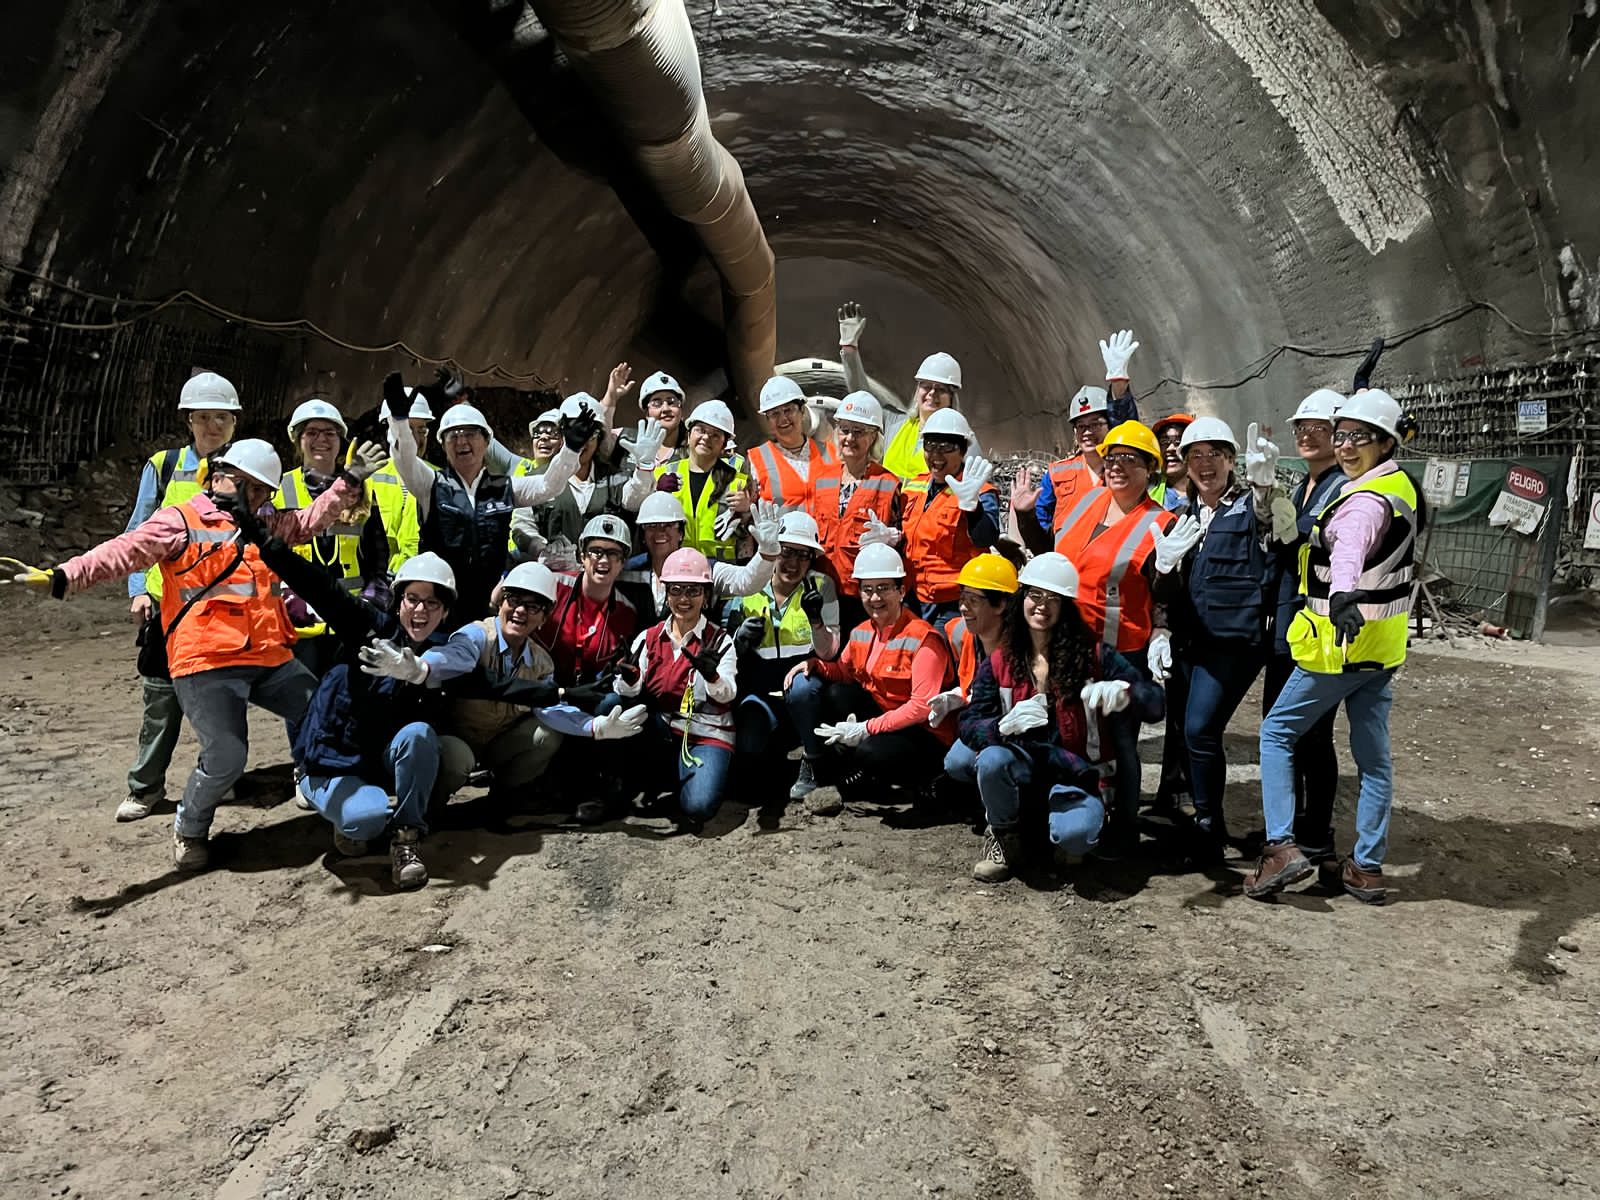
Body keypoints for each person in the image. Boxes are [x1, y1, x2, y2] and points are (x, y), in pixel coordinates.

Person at [19, 437, 388, 869]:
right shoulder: (179, 521)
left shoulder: (263, 520)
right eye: (247, 487)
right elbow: (124, 551)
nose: (255, 498)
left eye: (261, 491)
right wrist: (62, 577)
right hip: (206, 660)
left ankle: (342, 809)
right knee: (226, 756)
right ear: (219, 478)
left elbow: (306, 521)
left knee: (325, 718)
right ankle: (190, 828)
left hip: (266, 653)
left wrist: (347, 482)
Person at [1247, 389, 1421, 904]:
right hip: (1381, 651)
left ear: (1387, 442)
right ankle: (1366, 867)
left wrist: (1343, 592)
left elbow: (1349, 548)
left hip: (1338, 646)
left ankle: (1281, 845)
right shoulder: (1396, 485)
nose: (1344, 447)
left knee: (1277, 733)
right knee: (1374, 760)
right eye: (1341, 436)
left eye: (1356, 438)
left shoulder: (1362, 502)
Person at [241, 520, 456, 888]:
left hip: (379, 760)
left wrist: (562, 697)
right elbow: (320, 588)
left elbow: (492, 686)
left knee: (423, 736)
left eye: (432, 603)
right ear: (398, 599)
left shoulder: (439, 657)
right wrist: (265, 541)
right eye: (413, 599)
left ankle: (405, 840)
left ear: (444, 612)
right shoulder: (367, 628)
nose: (421, 611)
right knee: (366, 819)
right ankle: (349, 815)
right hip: (333, 760)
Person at [359, 561, 649, 810]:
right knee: (457, 758)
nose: (520, 611)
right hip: (458, 742)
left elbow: (550, 708)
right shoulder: (476, 635)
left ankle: (504, 795)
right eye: (514, 600)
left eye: (532, 606)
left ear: (544, 617)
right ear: (501, 602)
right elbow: (452, 656)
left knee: (546, 735)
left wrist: (595, 727)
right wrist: (420, 667)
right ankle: (427, 807)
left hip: (499, 744)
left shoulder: (541, 662)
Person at [955, 553, 1164, 881]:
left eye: (1053, 598)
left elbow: (1155, 705)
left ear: (1067, 606)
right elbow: (968, 724)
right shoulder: (1001, 660)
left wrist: (1127, 693)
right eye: (1034, 595)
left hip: (1075, 775)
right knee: (992, 759)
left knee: (1077, 837)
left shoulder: (1094, 656)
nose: (1042, 605)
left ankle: (1059, 833)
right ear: (1021, 599)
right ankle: (1005, 836)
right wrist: (999, 727)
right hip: (1022, 770)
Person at [117, 371, 241, 823]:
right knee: (161, 698)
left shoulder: (245, 470)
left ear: (234, 422)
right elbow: (137, 532)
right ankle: (145, 788)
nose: (213, 426)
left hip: (223, 608)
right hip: (168, 607)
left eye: (222, 418)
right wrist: (137, 590)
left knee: (222, 700)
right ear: (189, 420)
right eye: (204, 417)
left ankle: (220, 777)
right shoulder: (166, 466)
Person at [1051, 420, 1181, 848]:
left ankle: (1124, 829)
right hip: (1071, 643)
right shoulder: (1089, 502)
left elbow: (1166, 592)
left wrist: (1162, 616)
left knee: (1122, 739)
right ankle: (1078, 808)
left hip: (1122, 650)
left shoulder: (1160, 521)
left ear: (1151, 470)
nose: (1117, 466)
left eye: (1130, 459)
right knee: (1074, 730)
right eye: (1112, 458)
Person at [1161, 416, 1283, 857]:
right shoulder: (1184, 515)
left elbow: (1272, 529)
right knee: (1188, 729)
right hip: (1191, 640)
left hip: (1233, 642)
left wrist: (1266, 491)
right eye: (1195, 456)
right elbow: (1170, 580)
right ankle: (1204, 816)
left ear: (1232, 460)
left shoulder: (1250, 506)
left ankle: (1210, 824)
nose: (1205, 463)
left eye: (1215, 454)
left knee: (1200, 729)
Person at [383, 372, 593, 619]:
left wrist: (570, 449)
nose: (461, 441)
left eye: (470, 433)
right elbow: (405, 461)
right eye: (453, 435)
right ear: (443, 445)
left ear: (486, 442)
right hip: (438, 608)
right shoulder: (431, 484)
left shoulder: (506, 488)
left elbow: (549, 486)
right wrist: (398, 421)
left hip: (488, 607)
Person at [783, 544, 955, 816]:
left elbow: (921, 706)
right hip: (890, 721)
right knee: (836, 694)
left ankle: (929, 781)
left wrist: (868, 728)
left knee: (870, 751)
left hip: (926, 736)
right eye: (868, 589)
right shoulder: (863, 632)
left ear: (901, 590)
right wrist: (814, 664)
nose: (875, 598)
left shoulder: (925, 639)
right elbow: (842, 672)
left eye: (884, 588)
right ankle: (864, 774)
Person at [1261, 389, 1349, 863]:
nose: (1307, 435)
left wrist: (1298, 524)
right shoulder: (1301, 487)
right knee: (1281, 724)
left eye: (1318, 427)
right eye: (1301, 427)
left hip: (1319, 626)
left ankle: (1315, 831)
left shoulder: (1345, 487)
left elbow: (1328, 535)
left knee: (1312, 731)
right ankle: (1289, 824)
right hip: (1290, 623)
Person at [606, 548, 739, 832]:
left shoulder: (720, 641)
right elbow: (628, 692)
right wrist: (629, 680)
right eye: (676, 590)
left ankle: (693, 776)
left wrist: (712, 675)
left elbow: (728, 693)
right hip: (662, 730)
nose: (683, 599)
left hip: (705, 734)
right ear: (666, 594)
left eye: (693, 591)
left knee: (699, 807)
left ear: (705, 596)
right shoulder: (649, 637)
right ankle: (625, 784)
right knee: (610, 706)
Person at [274, 398, 392, 677]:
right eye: (311, 432)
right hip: (298, 625)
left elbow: (378, 559)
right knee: (302, 709)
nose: (321, 440)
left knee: (345, 704)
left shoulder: (361, 492)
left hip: (348, 621)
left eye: (330, 433)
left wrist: (370, 604)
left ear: (341, 441)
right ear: (297, 440)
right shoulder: (278, 489)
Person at [727, 512, 842, 796]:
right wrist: (739, 639)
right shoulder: (745, 581)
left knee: (802, 687)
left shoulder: (822, 585)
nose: (793, 562)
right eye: (786, 551)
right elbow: (725, 653)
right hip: (760, 688)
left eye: (803, 555)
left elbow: (829, 652)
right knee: (750, 746)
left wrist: (817, 622)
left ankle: (814, 761)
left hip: (803, 688)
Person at [879, 409, 998, 625]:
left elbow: (986, 537)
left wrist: (973, 508)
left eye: (946, 447)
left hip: (952, 603)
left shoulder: (980, 490)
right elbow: (909, 532)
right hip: (912, 598)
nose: (936, 455)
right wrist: (892, 537)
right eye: (930, 446)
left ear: (962, 450)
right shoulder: (915, 485)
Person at [809, 391, 902, 630]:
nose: (850, 437)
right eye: (845, 429)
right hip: (823, 589)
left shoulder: (888, 484)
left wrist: (895, 538)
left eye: (859, 431)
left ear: (873, 437)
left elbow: (902, 537)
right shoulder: (822, 479)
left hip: (864, 597)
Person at [508, 392, 644, 552]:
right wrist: (540, 548)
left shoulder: (616, 479)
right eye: (576, 432)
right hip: (552, 572)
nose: (583, 441)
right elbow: (522, 525)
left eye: (590, 434)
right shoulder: (537, 478)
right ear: (562, 435)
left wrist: (645, 470)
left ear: (599, 438)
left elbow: (634, 501)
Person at [617, 491, 778, 621]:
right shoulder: (628, 571)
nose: (660, 531)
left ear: (680, 532)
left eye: (669, 525)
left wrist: (766, 555)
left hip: (698, 656)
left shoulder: (704, 567)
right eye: (651, 526)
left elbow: (745, 582)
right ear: (643, 534)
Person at [629, 399, 753, 563]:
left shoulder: (738, 481)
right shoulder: (663, 474)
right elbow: (639, 514)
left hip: (719, 570)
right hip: (673, 566)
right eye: (700, 430)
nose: (706, 438)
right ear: (688, 435)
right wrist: (655, 494)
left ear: (724, 444)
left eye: (715, 435)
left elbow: (748, 537)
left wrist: (745, 512)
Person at [933, 553, 1019, 774]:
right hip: (982, 721)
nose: (963, 607)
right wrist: (959, 696)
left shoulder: (1023, 647)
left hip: (1018, 729)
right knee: (957, 762)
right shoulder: (958, 632)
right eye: (962, 598)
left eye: (973, 600)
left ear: (1000, 604)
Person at [536, 512, 640, 687]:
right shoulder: (552, 585)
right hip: (539, 690)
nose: (604, 560)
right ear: (582, 557)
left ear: (622, 563)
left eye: (613, 553)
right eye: (596, 552)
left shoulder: (626, 613)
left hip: (588, 699)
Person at [748, 376, 837, 506]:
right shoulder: (756, 460)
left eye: (788, 410)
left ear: (802, 411)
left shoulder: (831, 453)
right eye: (774, 414)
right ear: (768, 420)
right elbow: (749, 509)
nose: (783, 419)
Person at [370, 386, 429, 574]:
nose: (416, 438)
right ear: (390, 429)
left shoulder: (440, 478)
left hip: (423, 579)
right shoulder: (369, 478)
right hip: (378, 580)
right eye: (408, 428)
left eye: (422, 430)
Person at [1149, 413, 1194, 512]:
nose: (1170, 448)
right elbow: (1142, 527)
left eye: (1178, 442)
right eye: (1164, 442)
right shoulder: (1148, 489)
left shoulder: (1208, 492)